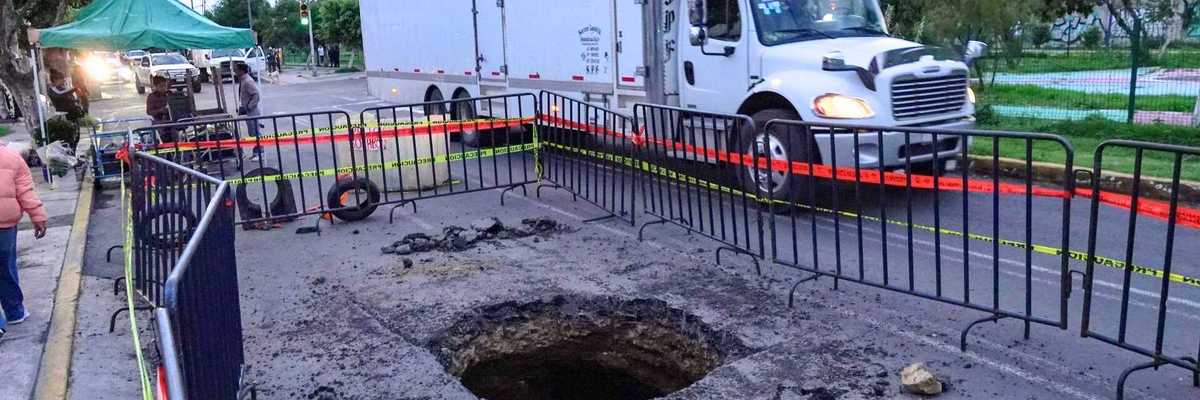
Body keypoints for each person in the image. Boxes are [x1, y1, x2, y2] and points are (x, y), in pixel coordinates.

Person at [0, 138, 48, 343]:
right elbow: (25, 191)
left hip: (6, 223)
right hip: (6, 223)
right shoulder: (11, 157)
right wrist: (38, 216)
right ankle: (15, 311)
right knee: (6, 268)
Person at [235, 63, 263, 161]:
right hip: (248, 111)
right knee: (252, 133)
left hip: (252, 111)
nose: (235, 71)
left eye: (236, 70)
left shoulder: (247, 81)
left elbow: (256, 95)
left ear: (242, 71)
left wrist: (248, 106)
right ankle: (256, 152)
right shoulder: (243, 80)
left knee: (255, 133)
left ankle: (260, 153)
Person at [145, 76, 179, 143]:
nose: (164, 88)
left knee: (175, 137)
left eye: (165, 86)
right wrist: (160, 110)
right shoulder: (152, 97)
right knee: (164, 138)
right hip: (159, 121)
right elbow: (149, 111)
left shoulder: (169, 94)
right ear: (156, 86)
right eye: (161, 86)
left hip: (172, 120)